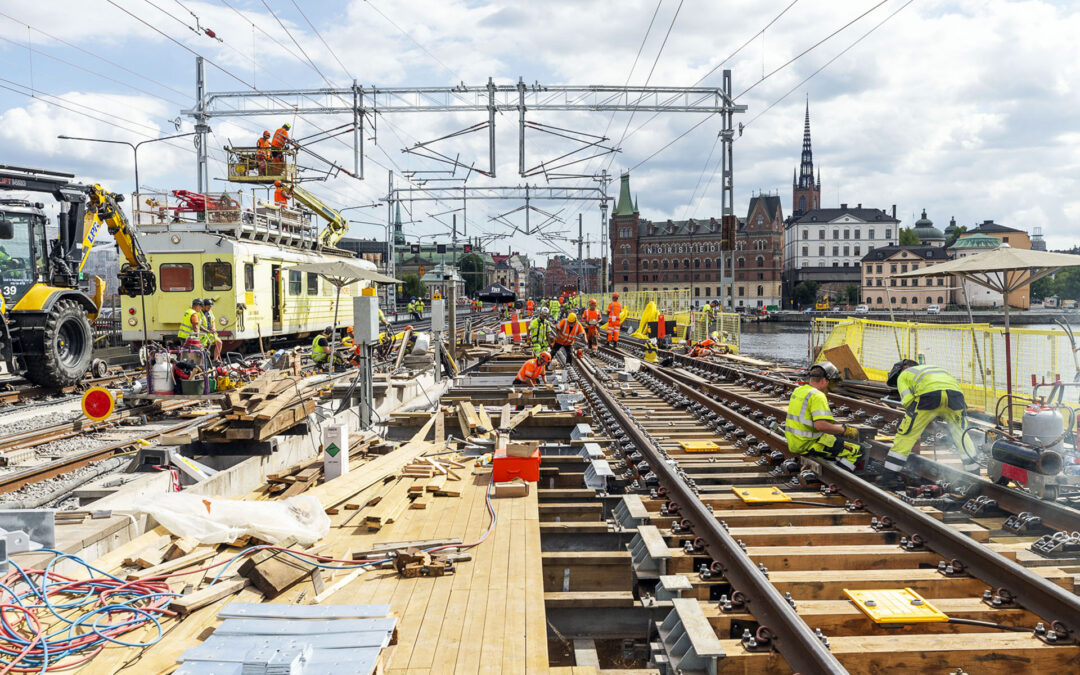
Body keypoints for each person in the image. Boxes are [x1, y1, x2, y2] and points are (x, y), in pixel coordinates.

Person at [885, 359, 979, 478]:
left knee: (907, 434)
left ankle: (889, 474)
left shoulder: (904, 375)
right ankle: (974, 474)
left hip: (928, 398)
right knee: (961, 434)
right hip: (955, 398)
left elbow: (908, 401)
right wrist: (940, 411)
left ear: (903, 368)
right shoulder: (935, 370)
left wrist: (923, 417)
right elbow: (953, 390)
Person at [784, 361, 864, 472]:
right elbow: (820, 426)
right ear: (823, 380)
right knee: (857, 451)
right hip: (808, 443)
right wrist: (844, 430)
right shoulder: (817, 395)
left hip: (795, 441)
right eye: (830, 383)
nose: (829, 387)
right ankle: (839, 479)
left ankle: (834, 465)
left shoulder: (799, 390)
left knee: (837, 441)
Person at [200, 298, 223, 362]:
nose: (209, 308)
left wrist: (213, 328)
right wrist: (208, 331)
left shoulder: (210, 311)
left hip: (210, 333)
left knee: (219, 342)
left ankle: (215, 360)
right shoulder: (199, 313)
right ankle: (203, 362)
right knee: (203, 349)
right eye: (208, 307)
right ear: (203, 306)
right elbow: (199, 325)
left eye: (210, 307)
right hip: (202, 334)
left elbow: (213, 321)